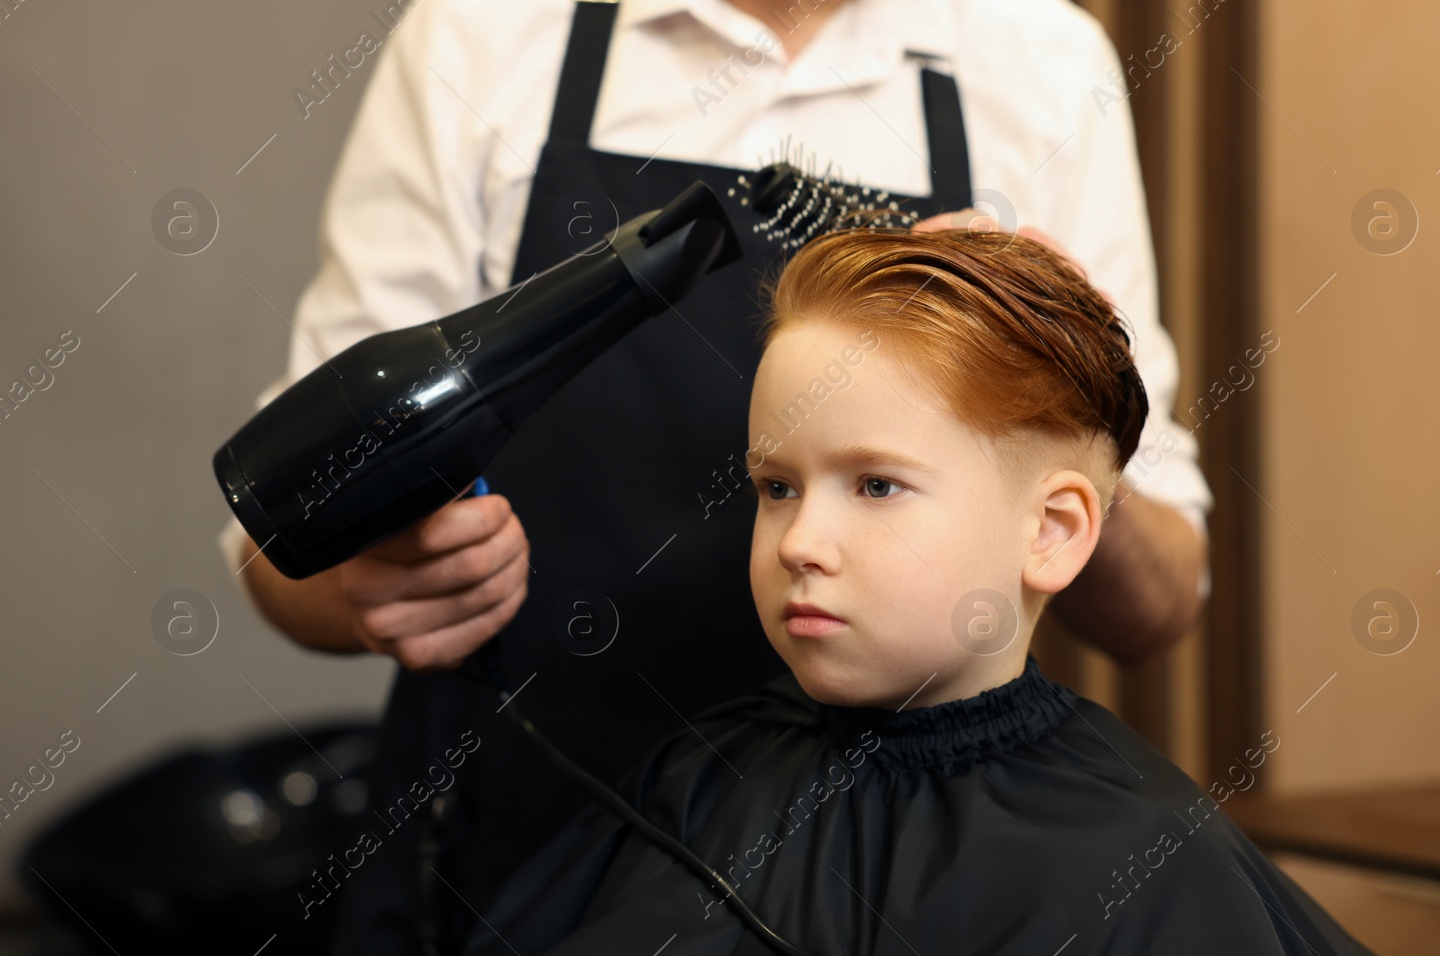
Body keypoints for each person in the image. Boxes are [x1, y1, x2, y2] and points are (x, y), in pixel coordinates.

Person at [217, 0, 1213, 951]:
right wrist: (363, 584)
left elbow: (1157, 605)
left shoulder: (1044, 61)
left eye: (872, 484)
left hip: (879, 887)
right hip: (506, 850)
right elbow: (281, 550)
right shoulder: (492, 16)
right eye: (774, 486)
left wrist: (1075, 397)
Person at [462, 226, 1367, 956]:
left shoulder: (1145, 856)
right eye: (776, 487)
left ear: (1050, 533)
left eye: (876, 486)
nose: (801, 543)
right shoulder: (693, 788)